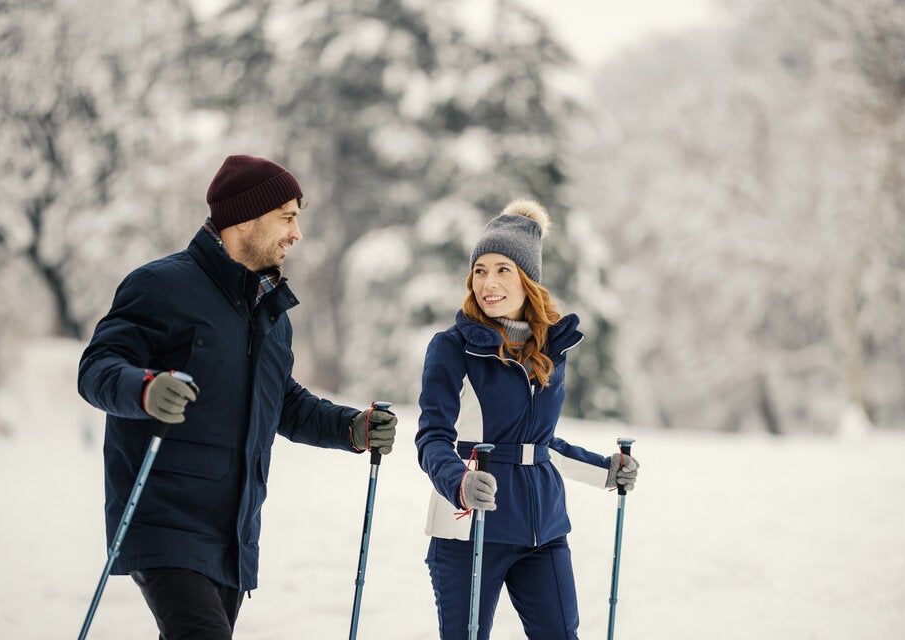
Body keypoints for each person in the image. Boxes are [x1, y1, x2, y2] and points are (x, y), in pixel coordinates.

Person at [78, 154, 397, 639]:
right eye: (287, 218)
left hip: (234, 532)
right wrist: (145, 390)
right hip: (165, 518)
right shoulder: (161, 286)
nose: (297, 234)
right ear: (244, 219)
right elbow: (97, 368)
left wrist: (349, 428)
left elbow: (282, 401)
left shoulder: (270, 310)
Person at [415, 199, 639, 639]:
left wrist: (607, 472)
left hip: (543, 529)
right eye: (480, 270)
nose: (488, 283)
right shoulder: (452, 347)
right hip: (471, 527)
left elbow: (541, 444)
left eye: (503, 269)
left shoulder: (549, 351)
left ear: (527, 279)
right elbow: (432, 438)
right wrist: (458, 482)